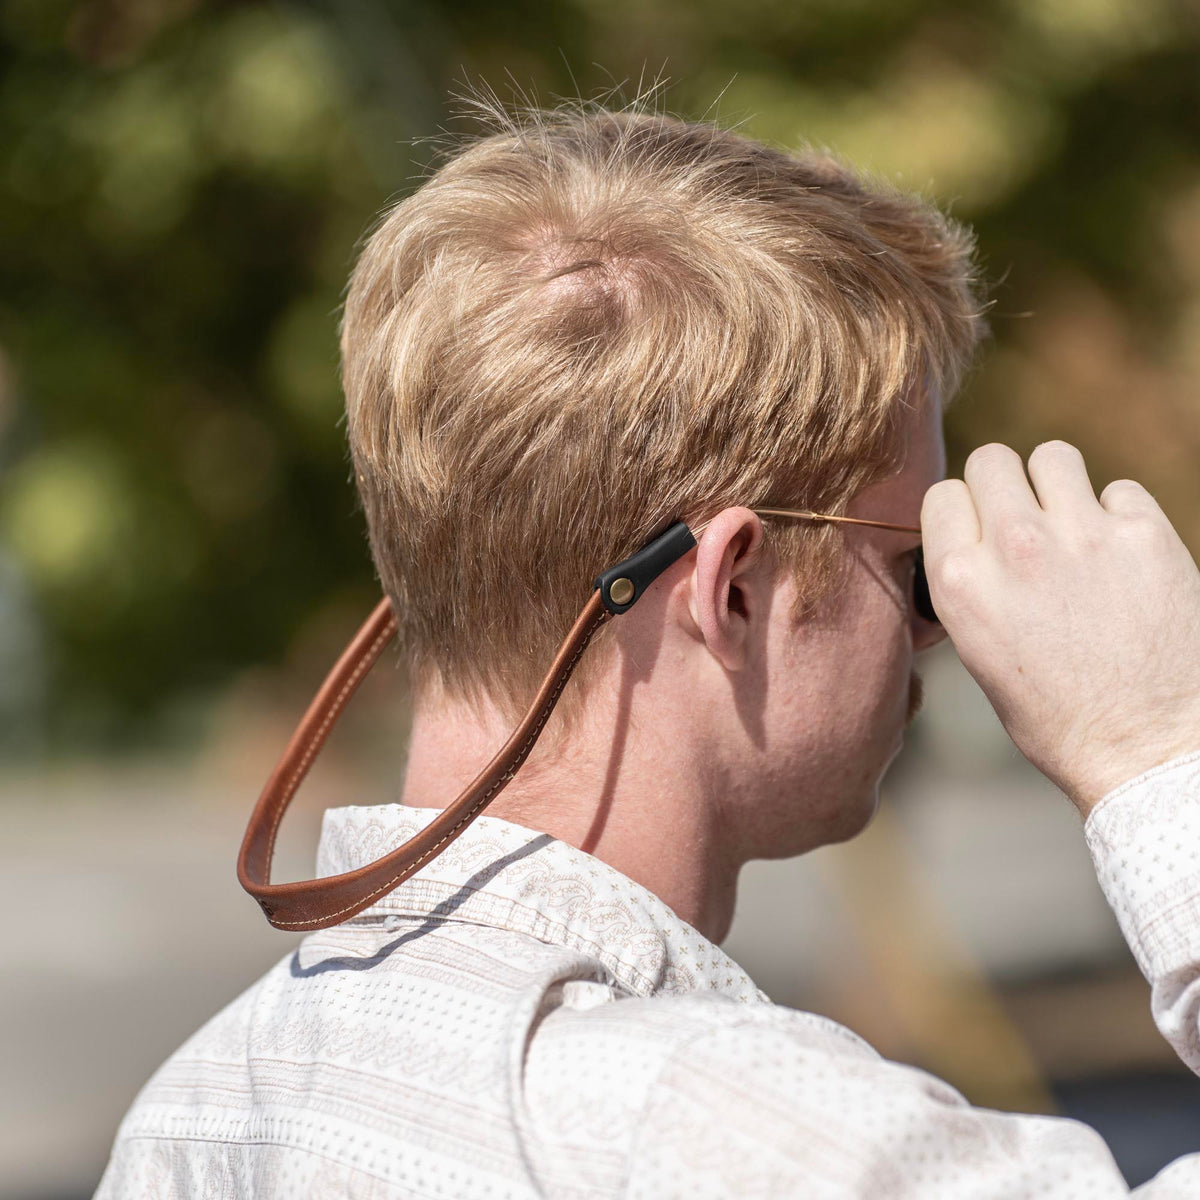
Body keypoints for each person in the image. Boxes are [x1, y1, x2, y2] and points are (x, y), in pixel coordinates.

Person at [95, 102, 1200, 1197]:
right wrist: (1157, 755)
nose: (936, 630)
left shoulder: (199, 1109)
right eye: (915, 567)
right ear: (730, 589)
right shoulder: (749, 1135)